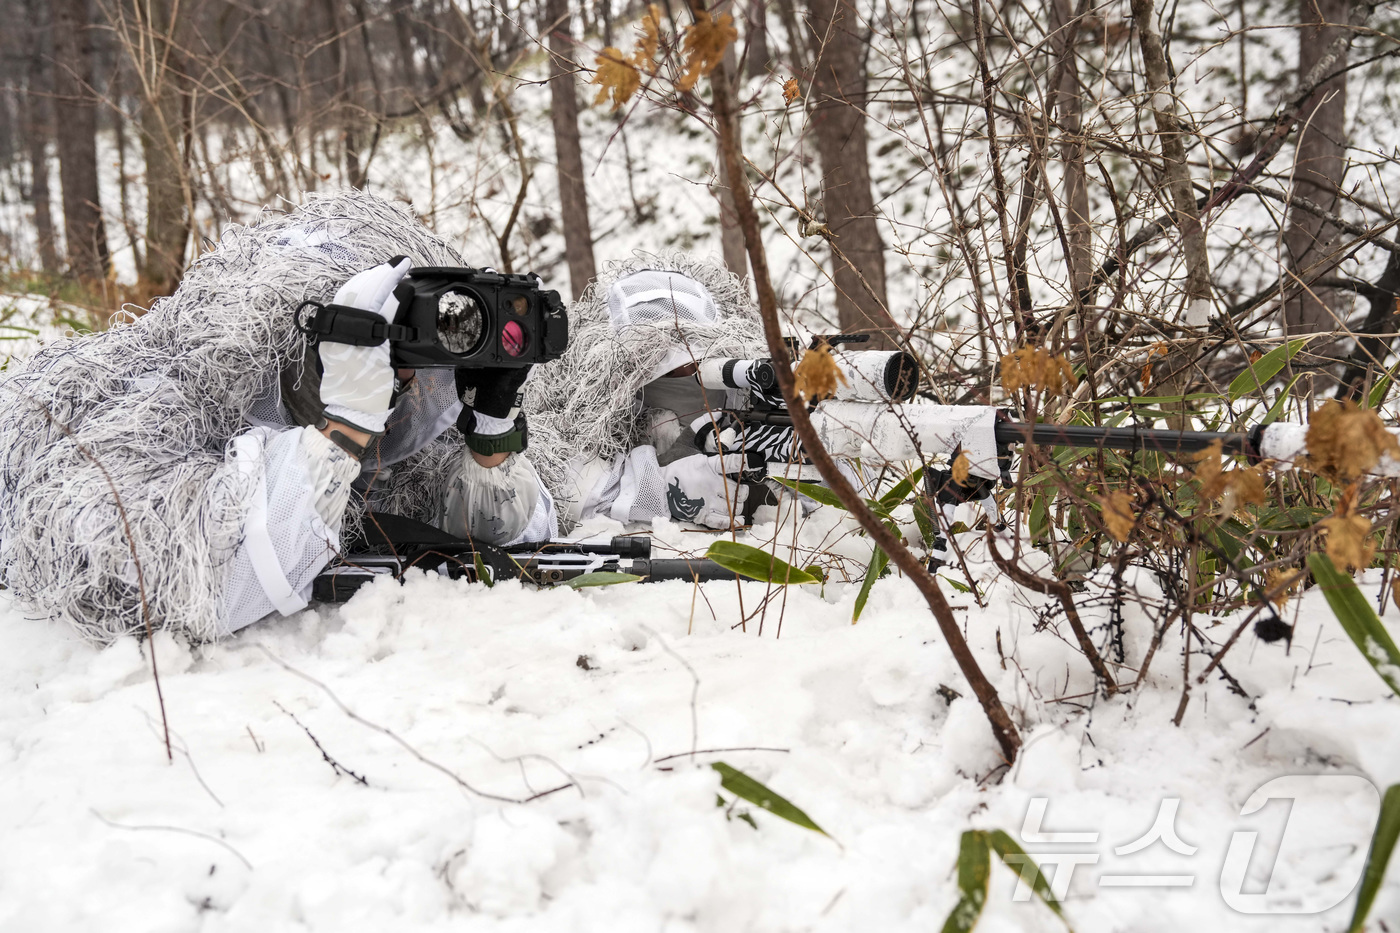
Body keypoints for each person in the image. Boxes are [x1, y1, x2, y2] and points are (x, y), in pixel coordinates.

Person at [0, 191, 556, 643]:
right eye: (359, 356)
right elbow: (168, 580)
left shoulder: (415, 421)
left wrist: (491, 430)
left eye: (399, 365)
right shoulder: (171, 398)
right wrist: (344, 424)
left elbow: (515, 535)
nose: (393, 385)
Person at [522, 254, 828, 532]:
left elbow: (837, 496)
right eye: (654, 366)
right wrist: (662, 491)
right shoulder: (571, 413)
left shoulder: (753, 394)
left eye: (695, 365)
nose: (684, 376)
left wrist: (788, 465)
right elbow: (551, 496)